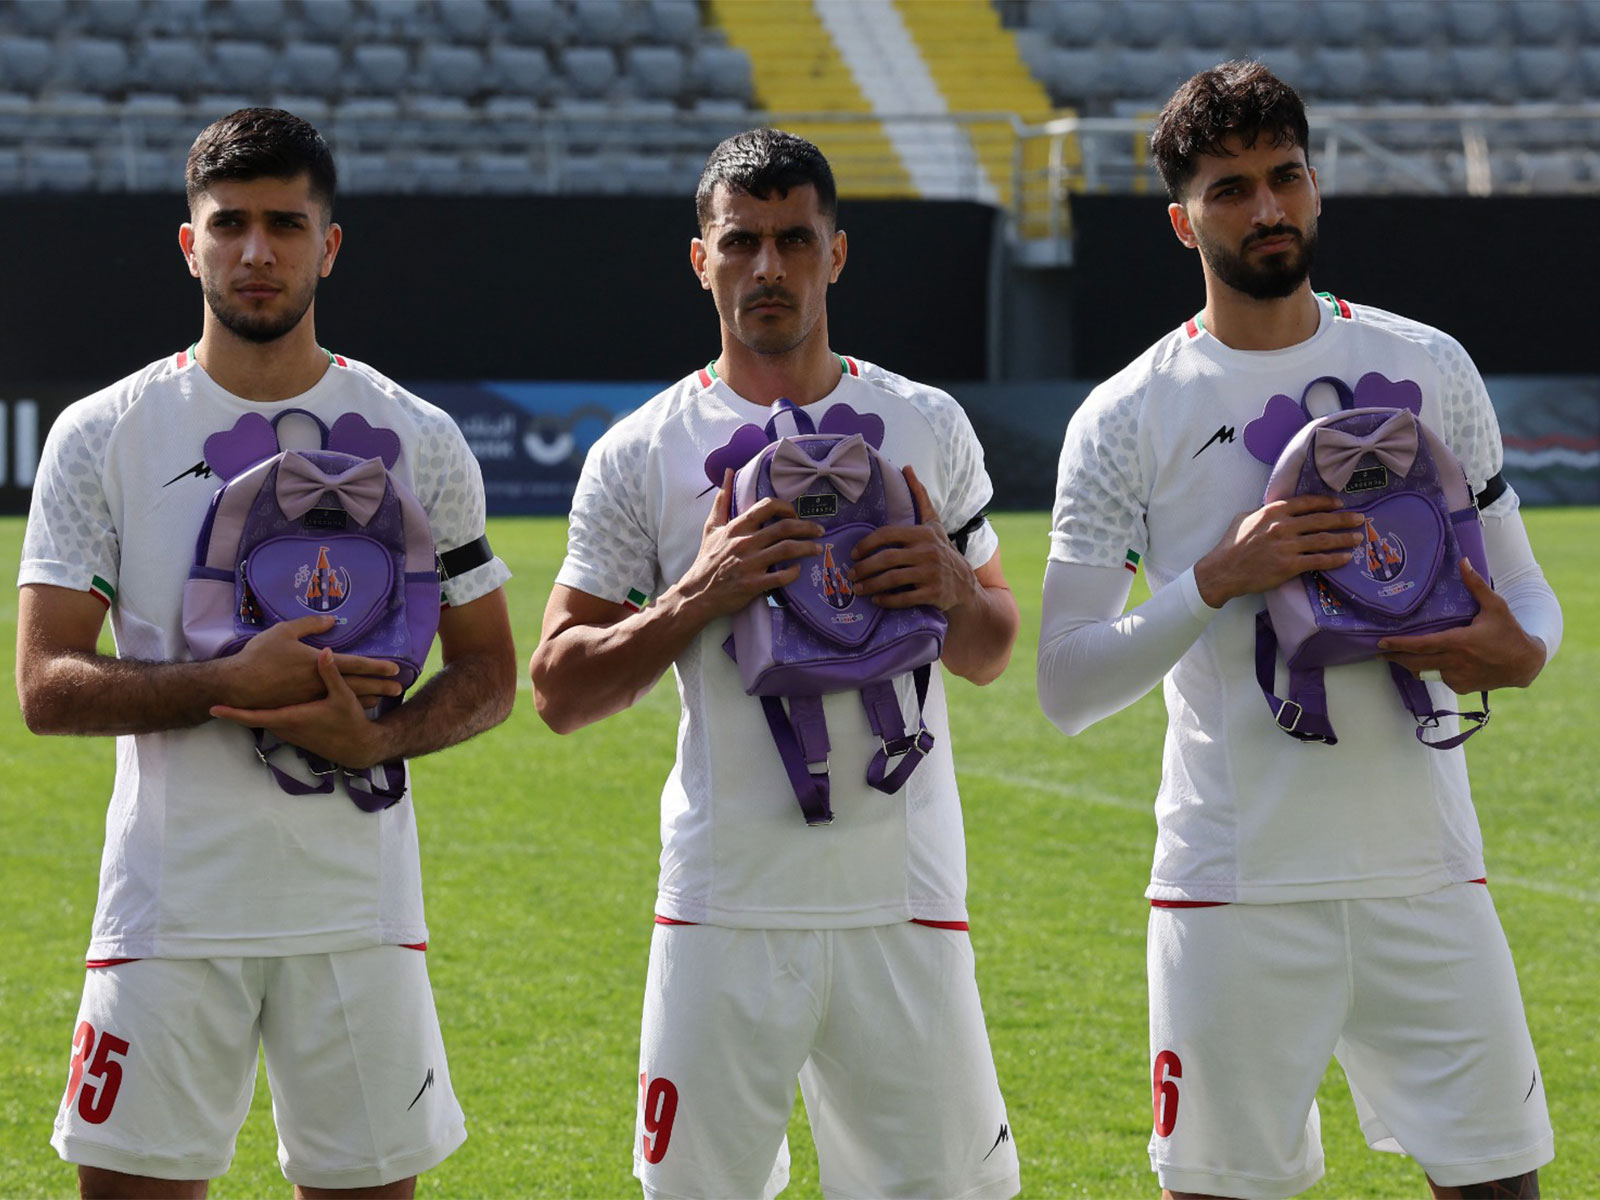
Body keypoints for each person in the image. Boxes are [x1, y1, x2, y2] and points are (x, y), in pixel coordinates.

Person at [1037, 61, 1563, 1200]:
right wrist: (1216, 580)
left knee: (1500, 1186)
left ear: (1315, 187)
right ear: (1183, 221)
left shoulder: (1429, 365)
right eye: (1231, 189)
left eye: (1284, 178)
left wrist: (1520, 652)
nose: (1266, 209)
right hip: (1231, 886)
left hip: (1423, 872)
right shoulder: (1127, 415)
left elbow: (1524, 601)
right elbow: (1067, 683)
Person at [16, 108, 516, 1198]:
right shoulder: (104, 432)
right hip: (167, 908)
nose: (256, 251)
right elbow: (46, 686)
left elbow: (488, 675)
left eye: (285, 224)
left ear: (327, 245)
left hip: (356, 915)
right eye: (229, 224)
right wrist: (221, 686)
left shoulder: (417, 434)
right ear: (189, 243)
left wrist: (375, 733)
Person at [529, 127, 1022, 1199]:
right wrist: (694, 597)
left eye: (794, 241)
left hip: (903, 892)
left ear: (834, 255)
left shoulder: (923, 423)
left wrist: (946, 582)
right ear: (698, 259)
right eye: (741, 241)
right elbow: (559, 688)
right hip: (724, 896)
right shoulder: (643, 449)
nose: (768, 269)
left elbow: (990, 648)